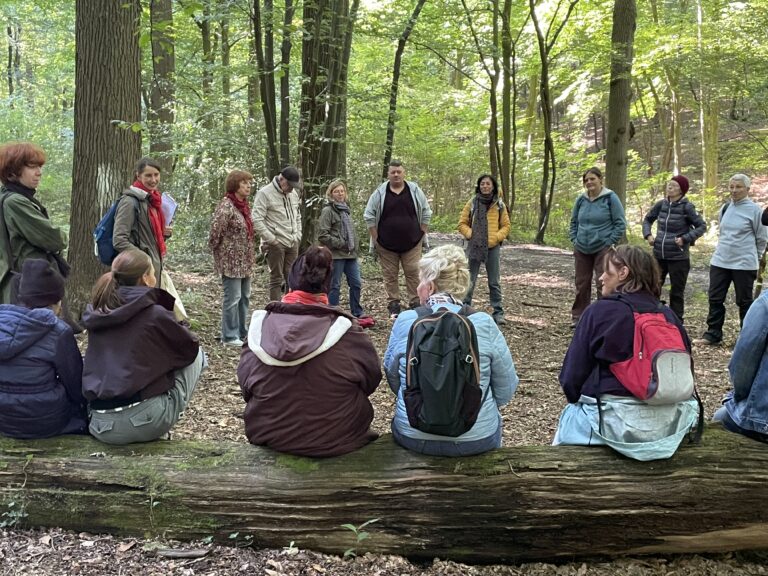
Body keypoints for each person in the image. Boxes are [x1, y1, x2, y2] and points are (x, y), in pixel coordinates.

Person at [553, 245, 700, 460]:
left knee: (568, 421)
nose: (601, 277)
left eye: (607, 271)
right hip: (668, 424)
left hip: (612, 421)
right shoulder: (669, 316)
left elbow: (571, 379)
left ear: (623, 273)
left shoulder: (599, 312)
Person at [238, 245, 381, 457]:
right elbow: (371, 380)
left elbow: (246, 387)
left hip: (269, 434)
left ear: (290, 283)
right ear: (328, 285)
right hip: (339, 438)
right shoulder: (348, 332)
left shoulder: (260, 329)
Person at [383, 244, 518, 456]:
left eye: (420, 280)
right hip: (475, 438)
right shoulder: (483, 323)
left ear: (430, 285)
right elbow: (506, 387)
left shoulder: (406, 320)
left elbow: (394, 378)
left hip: (414, 435)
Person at [82, 249, 206, 445]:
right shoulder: (155, 314)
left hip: (99, 422)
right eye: (152, 272)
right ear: (145, 278)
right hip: (144, 420)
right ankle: (160, 426)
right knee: (199, 354)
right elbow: (188, 350)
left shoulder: (99, 312)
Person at [0, 259, 86, 439]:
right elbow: (74, 383)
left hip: (4, 419)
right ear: (54, 302)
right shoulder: (58, 332)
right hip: (42, 420)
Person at [696, 174, 768, 346]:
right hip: (720, 261)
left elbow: (762, 237)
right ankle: (713, 334)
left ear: (747, 189)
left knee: (744, 301)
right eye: (732, 187)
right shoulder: (726, 208)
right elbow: (724, 234)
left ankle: (746, 337)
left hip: (744, 263)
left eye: (739, 187)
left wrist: (755, 258)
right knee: (715, 298)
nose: (734, 190)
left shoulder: (755, 210)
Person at [0, 142, 68, 304]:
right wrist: (61, 236)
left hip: (25, 282)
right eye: (32, 167)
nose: (39, 173)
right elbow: (55, 239)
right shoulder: (15, 202)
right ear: (13, 172)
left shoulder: (10, 197)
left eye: (40, 167)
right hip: (27, 285)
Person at [364, 160, 432, 318]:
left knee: (413, 272)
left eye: (399, 172)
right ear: (388, 174)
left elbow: (427, 212)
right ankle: (394, 306)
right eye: (393, 172)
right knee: (390, 275)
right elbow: (369, 215)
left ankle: (416, 303)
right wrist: (376, 239)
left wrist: (422, 233)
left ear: (404, 173)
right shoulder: (380, 193)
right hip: (386, 244)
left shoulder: (414, 190)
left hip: (413, 242)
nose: (396, 174)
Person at [642, 175, 706, 323]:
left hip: (679, 257)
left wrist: (685, 239)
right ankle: (652, 317)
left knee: (677, 292)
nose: (670, 188)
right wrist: (648, 235)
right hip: (659, 255)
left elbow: (702, 226)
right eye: (669, 185)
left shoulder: (687, 207)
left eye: (674, 186)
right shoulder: (660, 205)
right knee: (653, 286)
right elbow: (648, 219)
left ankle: (676, 322)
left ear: (682, 190)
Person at [569, 167, 626, 327]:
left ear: (600, 179)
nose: (589, 182)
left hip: (603, 248)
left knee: (603, 283)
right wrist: (575, 238)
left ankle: (604, 318)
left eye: (592, 179)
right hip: (581, 248)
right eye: (586, 180)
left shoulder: (610, 198)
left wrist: (609, 241)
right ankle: (579, 317)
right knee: (581, 283)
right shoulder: (581, 200)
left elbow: (620, 223)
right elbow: (573, 222)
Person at [713, 287, 768, 443]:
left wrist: (738, 396)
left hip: (762, 422)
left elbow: (743, 367)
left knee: (717, 421)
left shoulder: (765, 304)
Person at [317, 179, 374, 327]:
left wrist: (354, 245)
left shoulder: (346, 209)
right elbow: (323, 235)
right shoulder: (328, 211)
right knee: (334, 285)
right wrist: (340, 243)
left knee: (356, 283)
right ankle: (333, 312)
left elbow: (350, 232)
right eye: (337, 191)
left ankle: (357, 311)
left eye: (342, 191)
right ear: (331, 193)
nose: (340, 194)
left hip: (351, 254)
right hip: (336, 254)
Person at [209, 170, 256, 346]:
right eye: (244, 183)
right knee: (233, 297)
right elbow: (215, 233)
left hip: (245, 260)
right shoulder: (226, 205)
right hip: (231, 261)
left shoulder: (244, 206)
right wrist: (221, 254)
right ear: (235, 185)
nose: (248, 186)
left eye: (249, 183)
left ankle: (242, 331)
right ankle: (229, 336)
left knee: (245, 296)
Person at [458, 174, 511, 326]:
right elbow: (462, 223)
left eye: (488, 184)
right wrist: (471, 234)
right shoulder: (473, 202)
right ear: (479, 186)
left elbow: (506, 226)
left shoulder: (499, 205)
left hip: (493, 247)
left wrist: (495, 238)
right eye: (482, 184)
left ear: (493, 186)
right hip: (474, 246)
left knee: (494, 281)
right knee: (470, 279)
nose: (485, 186)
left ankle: (498, 312)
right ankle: (465, 308)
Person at [113, 157, 171, 286]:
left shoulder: (152, 201)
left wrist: (163, 234)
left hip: (152, 269)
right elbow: (119, 240)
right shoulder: (129, 202)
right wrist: (145, 259)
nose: (153, 180)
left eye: (156, 175)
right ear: (138, 176)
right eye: (148, 175)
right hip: (138, 273)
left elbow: (148, 239)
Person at [252, 165, 302, 302]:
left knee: (292, 278)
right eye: (290, 185)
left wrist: (298, 236)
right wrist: (272, 240)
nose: (292, 188)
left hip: (292, 241)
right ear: (282, 180)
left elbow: (297, 216)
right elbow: (256, 219)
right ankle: (275, 310)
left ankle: (289, 308)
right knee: (276, 278)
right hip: (275, 243)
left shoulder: (293, 194)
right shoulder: (264, 193)